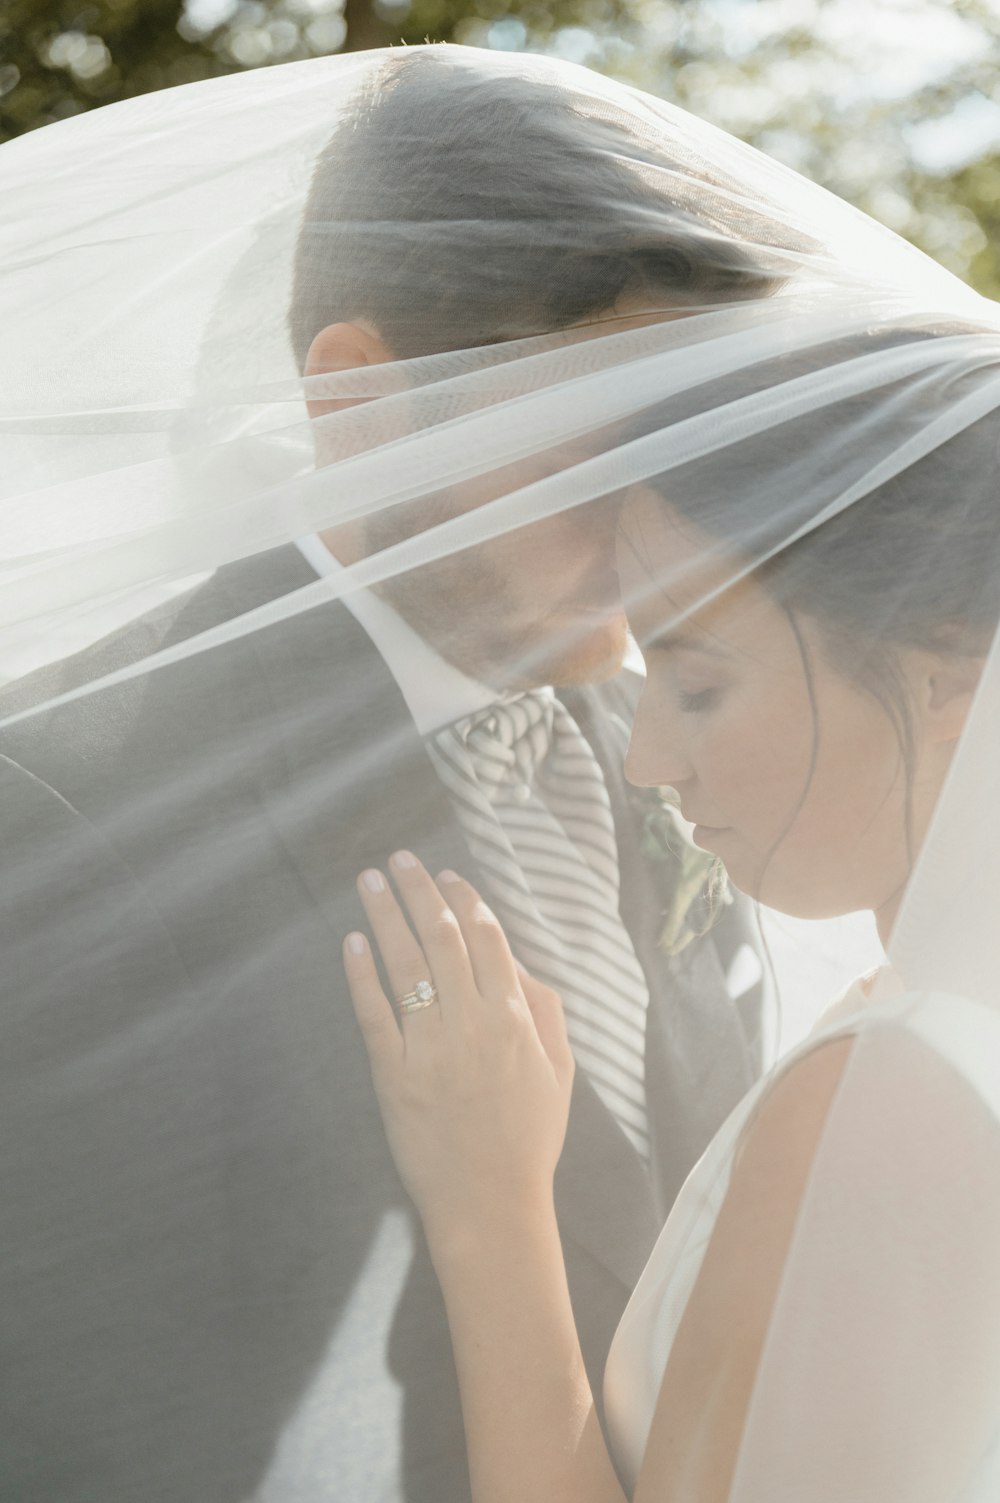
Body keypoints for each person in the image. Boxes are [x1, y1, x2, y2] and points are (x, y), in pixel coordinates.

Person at [0, 50, 770, 1503]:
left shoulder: (686, 757)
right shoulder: (62, 809)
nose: (671, 501)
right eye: (612, 426)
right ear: (359, 401)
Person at [343, 324, 1000, 1501]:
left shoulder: (894, 1098)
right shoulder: (926, 1022)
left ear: (947, 674)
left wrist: (491, 1211)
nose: (643, 759)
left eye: (697, 685)